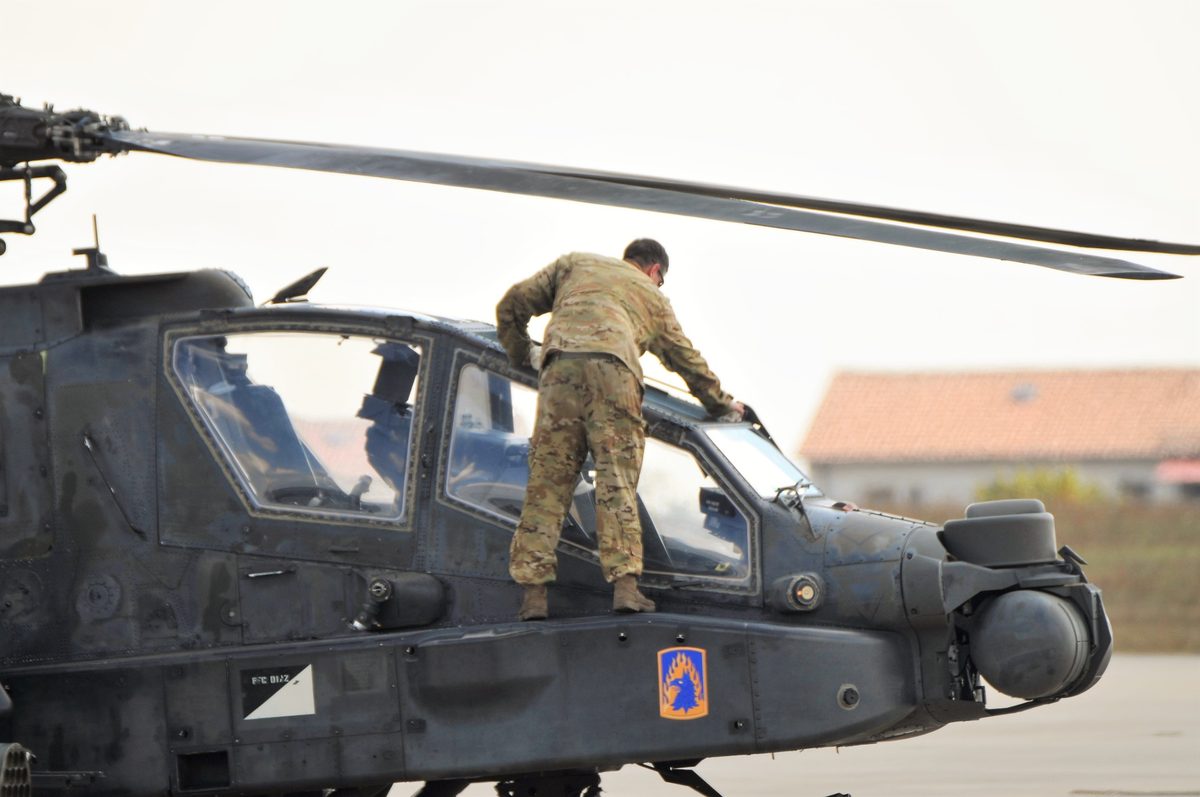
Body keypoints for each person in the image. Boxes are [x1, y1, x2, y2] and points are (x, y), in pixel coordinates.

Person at [496, 238, 745, 620]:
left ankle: (534, 597)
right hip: (615, 374)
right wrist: (722, 404)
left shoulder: (574, 264)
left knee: (547, 485)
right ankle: (626, 590)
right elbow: (686, 361)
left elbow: (511, 305)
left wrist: (522, 356)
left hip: (559, 368)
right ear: (654, 271)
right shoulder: (652, 296)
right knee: (616, 483)